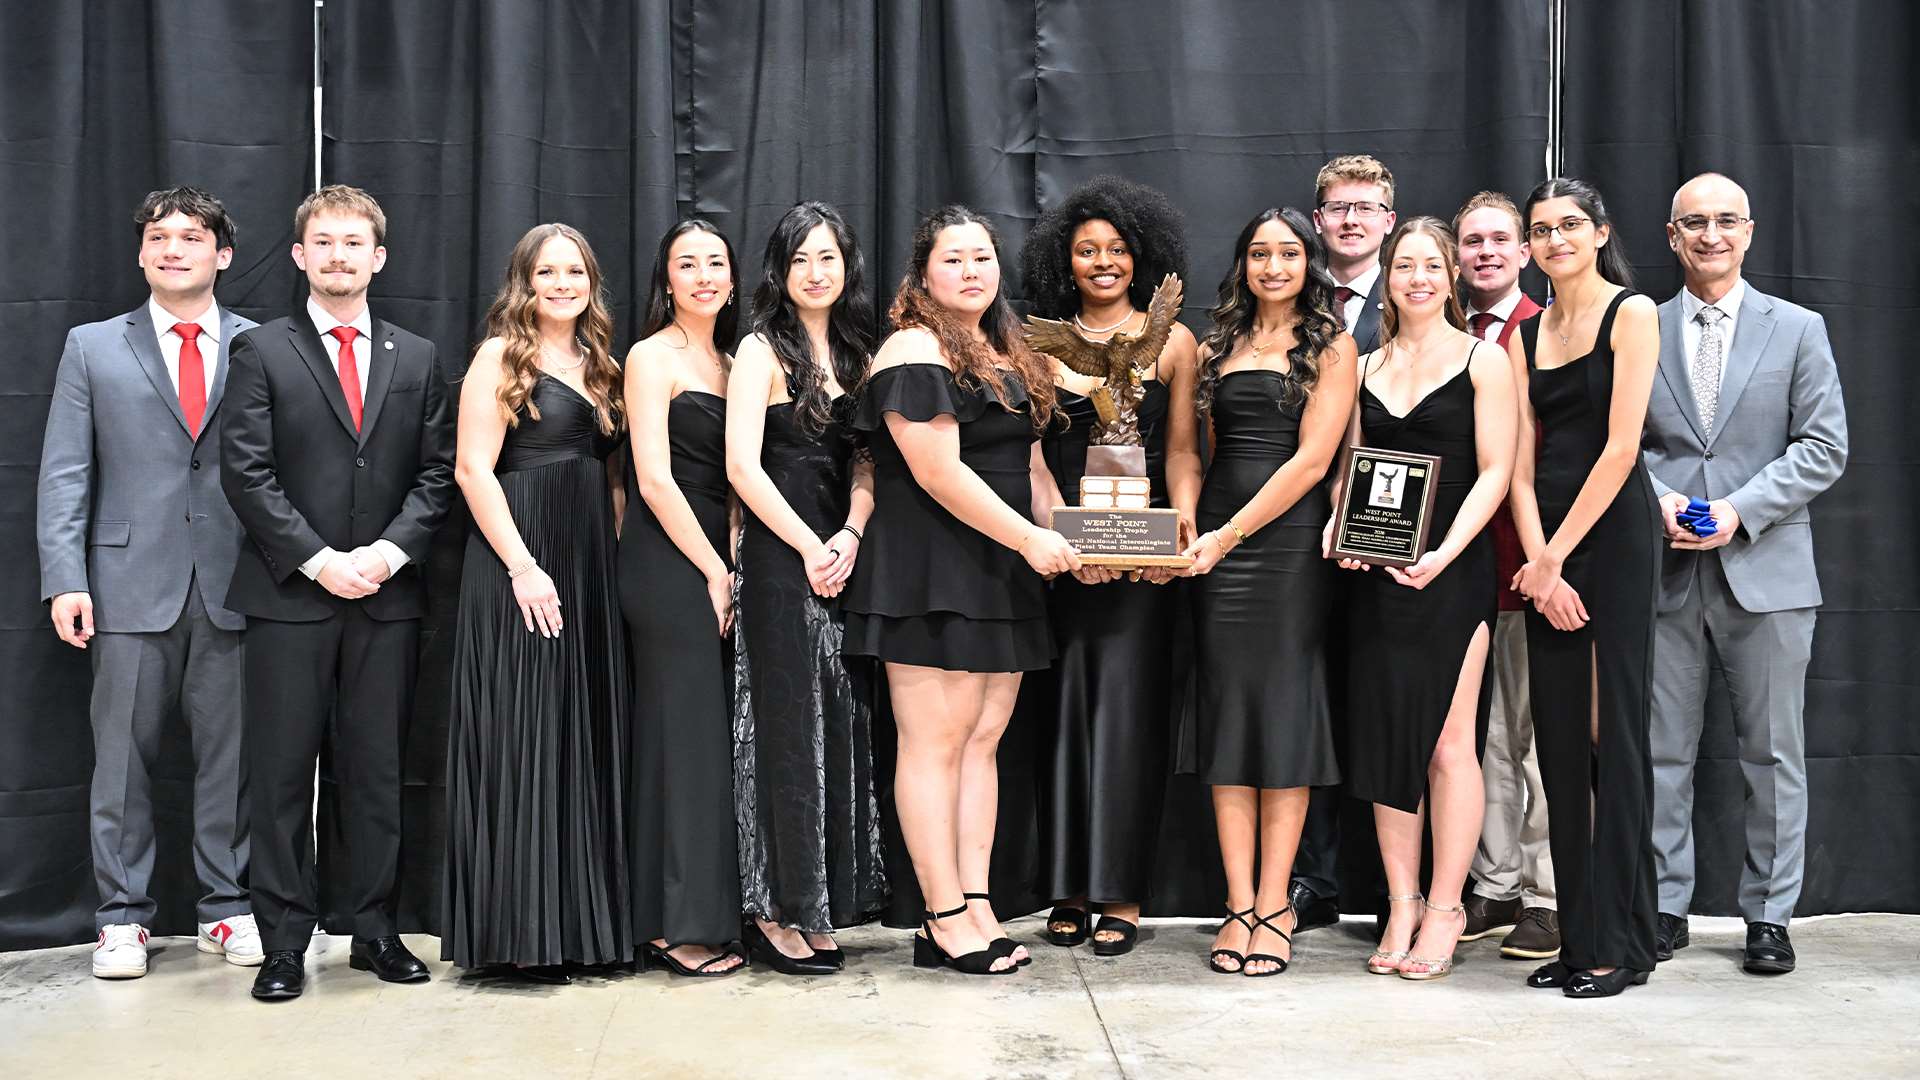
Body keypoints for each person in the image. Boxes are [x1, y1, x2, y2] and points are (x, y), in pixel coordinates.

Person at [221, 185, 456, 1001]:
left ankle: (373, 928)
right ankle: (286, 942)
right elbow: (246, 473)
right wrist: (321, 561)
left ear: (378, 258)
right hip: (290, 597)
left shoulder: (416, 356)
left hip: (386, 599)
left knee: (375, 772)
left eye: (354, 243)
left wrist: (386, 555)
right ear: (299, 255)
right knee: (283, 775)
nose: (338, 256)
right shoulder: (260, 350)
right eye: (323, 242)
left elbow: (437, 474)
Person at [840, 205, 1079, 976]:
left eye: (982, 257)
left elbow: (1033, 471)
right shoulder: (912, 348)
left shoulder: (1008, 349)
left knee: (981, 744)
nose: (972, 271)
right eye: (953, 259)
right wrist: (1029, 539)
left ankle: (976, 905)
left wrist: (1077, 539)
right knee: (934, 745)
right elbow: (938, 472)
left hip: (1000, 569)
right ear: (923, 273)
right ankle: (940, 916)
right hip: (931, 571)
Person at [37, 187, 261, 979]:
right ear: (140, 253)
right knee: (122, 763)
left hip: (237, 584)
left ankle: (226, 907)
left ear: (221, 255)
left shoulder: (262, 345)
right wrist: (65, 577)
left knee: (232, 760)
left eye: (192, 237)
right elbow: (66, 470)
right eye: (159, 237)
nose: (173, 249)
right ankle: (122, 918)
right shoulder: (93, 346)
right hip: (125, 584)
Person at [1644, 173, 1847, 976]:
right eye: (1694, 222)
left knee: (1773, 757)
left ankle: (1769, 916)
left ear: (1749, 231)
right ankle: (1664, 907)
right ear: (1672, 236)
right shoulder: (1639, 327)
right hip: (1663, 570)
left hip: (1767, 571)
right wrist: (1661, 502)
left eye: (1726, 220)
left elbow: (1824, 446)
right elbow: (1617, 443)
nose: (1711, 235)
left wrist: (1738, 511)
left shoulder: (1797, 329)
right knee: (1661, 754)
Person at [442, 223, 631, 983]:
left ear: (591, 282)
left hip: (586, 562)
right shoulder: (499, 356)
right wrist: (523, 566)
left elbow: (610, 478)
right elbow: (471, 470)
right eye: (547, 272)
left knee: (576, 734)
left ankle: (580, 929)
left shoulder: (601, 363)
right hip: (520, 561)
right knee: (524, 730)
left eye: (574, 272)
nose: (562, 284)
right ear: (524, 282)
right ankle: (520, 935)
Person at [1016, 176, 1198, 958]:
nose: (1103, 262)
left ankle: (1122, 892)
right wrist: (1064, 536)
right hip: (1062, 561)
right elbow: (1030, 455)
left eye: (1117, 249)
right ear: (1065, 259)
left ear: (1139, 256)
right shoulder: (1035, 343)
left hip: (1144, 569)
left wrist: (1181, 519)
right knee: (1060, 720)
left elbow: (1182, 449)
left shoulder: (1175, 341)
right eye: (1087, 250)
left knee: (1131, 721)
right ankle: (1067, 888)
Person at [1331, 217, 1516, 980]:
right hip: (1376, 577)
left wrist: (1445, 554)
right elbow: (1348, 469)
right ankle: (1401, 903)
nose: (1417, 278)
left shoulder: (1483, 360)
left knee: (1447, 745)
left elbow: (1497, 471)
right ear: (1389, 278)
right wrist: (1341, 528)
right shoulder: (1361, 365)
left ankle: (1446, 907)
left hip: (1454, 572)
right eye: (1404, 265)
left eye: (1430, 265)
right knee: (1387, 742)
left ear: (1451, 277)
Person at [1175, 207, 1356, 976]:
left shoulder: (1333, 345)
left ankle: (1277, 904)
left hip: (1284, 551)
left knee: (1283, 723)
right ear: (1243, 264)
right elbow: (1194, 449)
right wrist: (1191, 521)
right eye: (1259, 253)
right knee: (1228, 722)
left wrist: (1228, 534)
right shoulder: (1215, 345)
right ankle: (1238, 901)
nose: (1273, 266)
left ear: (1308, 262)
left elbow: (1312, 462)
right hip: (1215, 551)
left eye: (1288, 253)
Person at [1505, 177, 1661, 998]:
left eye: (1570, 224)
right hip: (1549, 550)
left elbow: (1622, 449)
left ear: (1600, 232)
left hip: (1613, 539)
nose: (1555, 239)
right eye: (1541, 229)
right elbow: (1519, 465)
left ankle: (1621, 945)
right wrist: (1539, 564)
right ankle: (1580, 937)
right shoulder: (1526, 334)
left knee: (1611, 737)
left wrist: (1555, 560)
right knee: (1560, 744)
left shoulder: (1631, 313)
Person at [725, 202, 887, 976]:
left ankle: (819, 903)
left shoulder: (861, 354)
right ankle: (772, 910)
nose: (816, 273)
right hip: (780, 556)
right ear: (779, 273)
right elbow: (741, 466)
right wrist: (808, 545)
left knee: (838, 726)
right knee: (783, 731)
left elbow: (869, 464)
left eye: (828, 257)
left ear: (847, 265)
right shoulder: (760, 349)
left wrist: (850, 534)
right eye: (800, 260)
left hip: (844, 556)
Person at [621, 219, 747, 978]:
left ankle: (709, 909)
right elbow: (653, 478)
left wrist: (734, 554)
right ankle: (670, 924)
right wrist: (712, 569)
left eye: (715, 263)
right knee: (681, 737)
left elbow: (737, 475)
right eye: (687, 264)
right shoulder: (650, 356)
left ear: (732, 278)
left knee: (711, 741)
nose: (703, 275)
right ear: (666, 280)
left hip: (719, 556)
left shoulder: (735, 361)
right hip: (668, 560)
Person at [1454, 191, 1560, 961]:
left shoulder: (1546, 333)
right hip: (1459, 574)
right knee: (1482, 738)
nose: (1485, 252)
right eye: (1472, 242)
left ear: (1524, 252)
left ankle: (1547, 894)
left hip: (1530, 567)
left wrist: (1546, 559)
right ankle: (1492, 883)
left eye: (1499, 240)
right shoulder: (1440, 332)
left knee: (1537, 741)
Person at [1295, 153, 1397, 930]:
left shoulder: (1420, 294)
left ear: (1389, 221)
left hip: (1393, 538)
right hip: (1295, 537)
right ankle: (1312, 880)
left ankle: (1400, 889)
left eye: (1366, 207)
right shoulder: (1285, 295)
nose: (1352, 219)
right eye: (1338, 207)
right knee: (1308, 706)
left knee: (1390, 710)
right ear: (1319, 219)